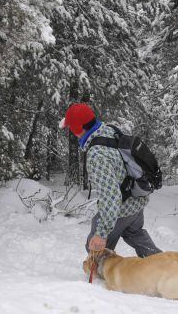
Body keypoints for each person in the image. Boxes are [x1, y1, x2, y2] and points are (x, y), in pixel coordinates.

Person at [61, 103, 161, 257]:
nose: (71, 132)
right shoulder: (109, 130)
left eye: (71, 128)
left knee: (95, 250)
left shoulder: (96, 155)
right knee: (134, 234)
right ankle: (162, 266)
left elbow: (111, 198)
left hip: (122, 208)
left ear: (76, 128)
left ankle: (105, 280)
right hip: (137, 200)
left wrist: (101, 234)